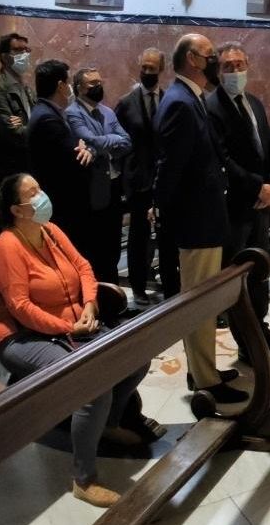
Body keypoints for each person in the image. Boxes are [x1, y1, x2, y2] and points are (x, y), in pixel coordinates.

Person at [0, 172, 153, 508]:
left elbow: (83, 267)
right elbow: (20, 308)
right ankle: (83, 478)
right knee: (91, 385)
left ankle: (106, 424)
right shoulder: (8, 246)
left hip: (72, 325)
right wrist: (66, 329)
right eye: (32, 193)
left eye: (40, 188)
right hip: (22, 338)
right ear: (18, 210)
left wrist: (89, 304)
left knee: (134, 357)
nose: (41, 196)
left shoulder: (51, 231)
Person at [155, 34, 245, 404]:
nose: (214, 62)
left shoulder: (190, 98)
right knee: (198, 303)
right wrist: (166, 217)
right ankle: (205, 380)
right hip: (196, 222)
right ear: (192, 59)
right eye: (210, 56)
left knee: (205, 301)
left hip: (204, 218)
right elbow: (171, 169)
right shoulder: (180, 102)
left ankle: (202, 368)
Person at [202, 42, 270, 357]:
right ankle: (246, 342)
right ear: (218, 70)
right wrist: (257, 188)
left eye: (241, 65)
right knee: (238, 273)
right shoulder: (211, 107)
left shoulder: (254, 102)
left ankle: (261, 328)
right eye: (229, 66)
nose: (236, 71)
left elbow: (269, 147)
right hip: (236, 205)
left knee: (260, 268)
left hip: (261, 202)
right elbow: (223, 159)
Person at [64, 67, 132, 285]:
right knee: (95, 248)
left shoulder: (108, 112)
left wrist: (100, 144)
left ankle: (113, 298)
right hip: (93, 190)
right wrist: (107, 142)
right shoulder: (73, 113)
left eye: (99, 82)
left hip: (114, 186)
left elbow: (127, 141)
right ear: (78, 88)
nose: (98, 87)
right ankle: (97, 298)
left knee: (112, 246)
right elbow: (88, 140)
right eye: (92, 84)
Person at [115, 49, 168, 302]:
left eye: (152, 68)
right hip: (138, 181)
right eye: (144, 67)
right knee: (138, 236)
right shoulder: (126, 103)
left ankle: (169, 283)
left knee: (166, 232)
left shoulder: (169, 100)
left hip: (164, 177)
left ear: (161, 70)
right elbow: (118, 142)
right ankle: (137, 286)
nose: (147, 72)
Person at [27, 60, 94, 238]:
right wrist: (85, 150)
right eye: (68, 82)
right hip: (62, 204)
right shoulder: (47, 118)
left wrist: (82, 146)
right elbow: (77, 160)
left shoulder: (47, 112)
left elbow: (76, 145)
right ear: (60, 86)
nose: (70, 88)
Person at [0, 32, 34, 183]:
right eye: (19, 50)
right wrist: (38, 130)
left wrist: (29, 126)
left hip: (26, 165)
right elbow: (14, 134)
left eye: (27, 50)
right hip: (7, 171)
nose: (25, 54)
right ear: (4, 57)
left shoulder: (26, 89)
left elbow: (36, 119)